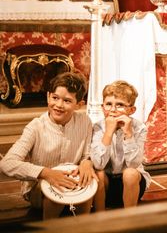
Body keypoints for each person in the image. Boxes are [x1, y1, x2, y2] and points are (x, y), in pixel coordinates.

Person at [0, 72, 96, 219]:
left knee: (88, 181)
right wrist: (46, 173)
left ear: (79, 105)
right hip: (40, 189)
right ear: (48, 96)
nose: (58, 105)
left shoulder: (85, 122)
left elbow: (86, 154)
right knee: (56, 191)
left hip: (72, 185)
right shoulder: (35, 127)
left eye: (67, 101)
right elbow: (7, 164)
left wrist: (86, 162)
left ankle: (84, 226)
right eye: (55, 98)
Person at [91, 80, 151, 210]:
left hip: (131, 184)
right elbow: (98, 164)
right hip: (105, 186)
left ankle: (129, 218)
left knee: (130, 173)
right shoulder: (97, 127)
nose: (113, 110)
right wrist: (108, 132)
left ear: (131, 110)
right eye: (108, 104)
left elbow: (134, 164)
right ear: (102, 107)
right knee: (99, 174)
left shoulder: (139, 128)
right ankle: (99, 219)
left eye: (120, 105)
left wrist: (128, 134)